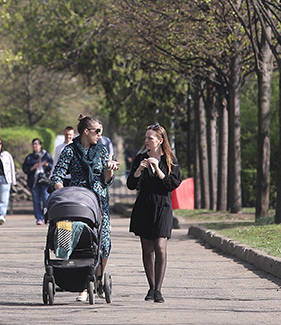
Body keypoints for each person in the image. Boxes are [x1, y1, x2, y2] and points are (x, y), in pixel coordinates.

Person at [50, 115, 118, 301]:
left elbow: (107, 180)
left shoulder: (102, 151)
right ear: (86, 131)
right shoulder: (70, 150)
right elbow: (57, 176)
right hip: (77, 201)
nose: (100, 135)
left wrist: (110, 168)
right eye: (97, 131)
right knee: (78, 242)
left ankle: (96, 281)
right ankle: (81, 284)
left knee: (103, 244)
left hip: (98, 202)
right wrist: (63, 197)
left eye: (101, 131)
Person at [127, 123, 184, 303]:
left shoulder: (170, 159)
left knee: (160, 246)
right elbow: (130, 185)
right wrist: (139, 170)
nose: (146, 141)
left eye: (150, 138)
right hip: (144, 206)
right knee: (147, 249)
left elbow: (172, 184)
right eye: (146, 138)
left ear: (160, 140)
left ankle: (158, 290)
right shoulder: (140, 158)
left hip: (163, 206)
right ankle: (151, 287)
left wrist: (158, 170)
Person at [22, 138, 54, 225]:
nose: (35, 146)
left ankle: (46, 217)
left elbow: (52, 165)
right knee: (36, 200)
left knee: (45, 199)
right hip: (34, 181)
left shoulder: (46, 155)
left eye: (37, 144)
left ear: (40, 145)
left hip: (44, 180)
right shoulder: (29, 157)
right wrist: (33, 167)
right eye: (33, 144)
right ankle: (39, 218)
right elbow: (25, 169)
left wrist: (46, 165)